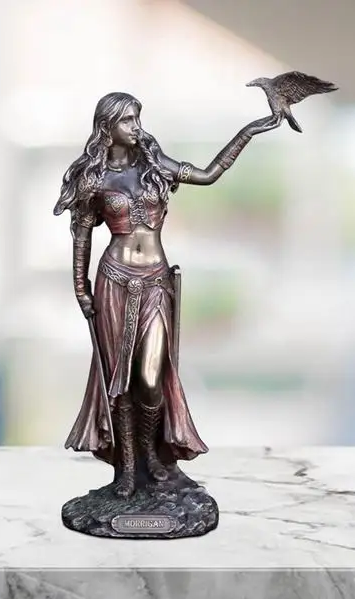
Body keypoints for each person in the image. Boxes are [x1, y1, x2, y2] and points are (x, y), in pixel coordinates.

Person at [53, 92, 280, 498]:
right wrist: (80, 288)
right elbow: (81, 237)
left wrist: (250, 131)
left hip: (156, 280)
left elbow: (209, 174)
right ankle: (127, 470)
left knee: (151, 378)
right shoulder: (93, 178)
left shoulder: (154, 165)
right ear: (107, 127)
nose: (136, 127)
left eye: (137, 118)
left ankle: (153, 458)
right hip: (115, 281)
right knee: (119, 380)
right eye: (127, 120)